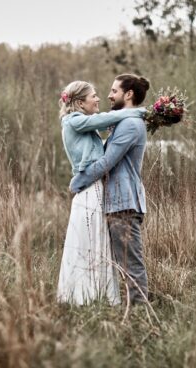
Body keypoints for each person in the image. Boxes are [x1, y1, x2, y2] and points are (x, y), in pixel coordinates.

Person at [56, 80, 146, 305]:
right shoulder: (75, 121)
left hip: (107, 195)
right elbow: (104, 123)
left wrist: (79, 180)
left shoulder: (126, 124)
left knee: (103, 249)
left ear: (128, 94)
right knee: (89, 245)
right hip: (92, 190)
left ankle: (106, 300)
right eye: (94, 95)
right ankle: (86, 297)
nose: (101, 98)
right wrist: (138, 112)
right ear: (79, 103)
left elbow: (106, 156)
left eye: (112, 91)